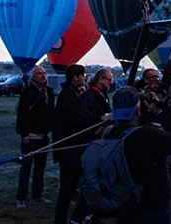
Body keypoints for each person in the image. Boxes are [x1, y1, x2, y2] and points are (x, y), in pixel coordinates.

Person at [97, 86, 171, 224]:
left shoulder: (109, 133)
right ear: (138, 110)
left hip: (123, 203)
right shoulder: (147, 135)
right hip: (150, 207)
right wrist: (159, 111)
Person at [53, 65, 97, 224]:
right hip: (69, 150)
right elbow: (77, 119)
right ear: (76, 77)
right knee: (91, 179)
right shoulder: (67, 96)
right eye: (83, 75)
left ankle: (65, 220)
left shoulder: (71, 94)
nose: (85, 78)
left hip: (69, 149)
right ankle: (79, 218)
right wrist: (101, 119)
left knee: (68, 190)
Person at [16, 66, 56, 208]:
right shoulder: (27, 92)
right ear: (33, 76)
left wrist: (50, 129)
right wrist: (24, 133)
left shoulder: (49, 92)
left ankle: (37, 195)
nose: (42, 76)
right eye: (39, 74)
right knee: (26, 167)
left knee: (40, 167)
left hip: (44, 136)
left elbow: (51, 112)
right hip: (30, 136)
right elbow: (21, 114)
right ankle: (21, 197)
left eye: (44, 73)